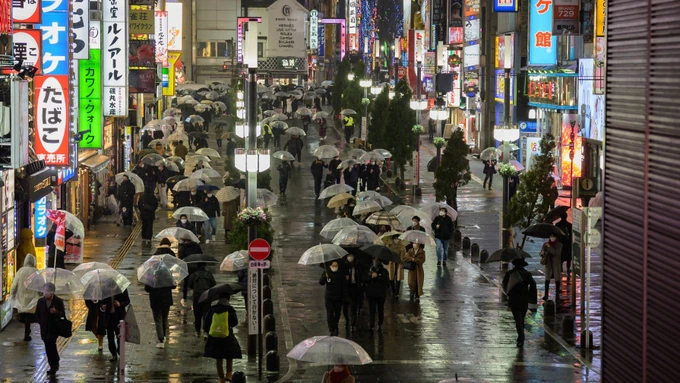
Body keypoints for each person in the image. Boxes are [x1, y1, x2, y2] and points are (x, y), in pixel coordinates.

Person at [203, 293, 242, 383]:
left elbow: (206, 323)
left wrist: (210, 331)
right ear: (228, 299)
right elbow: (235, 322)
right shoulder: (230, 309)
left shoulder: (212, 309)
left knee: (218, 358)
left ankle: (221, 378)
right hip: (227, 335)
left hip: (215, 337)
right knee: (229, 356)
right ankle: (229, 373)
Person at [502, 259, 537, 348]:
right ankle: (521, 337)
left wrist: (508, 292)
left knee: (518, 319)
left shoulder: (510, 274)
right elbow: (533, 285)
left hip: (514, 299)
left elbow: (504, 285)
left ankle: (521, 338)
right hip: (524, 299)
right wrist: (529, 296)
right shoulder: (527, 274)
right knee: (521, 319)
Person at [35, 283, 65, 375]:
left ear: (52, 292)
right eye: (44, 290)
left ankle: (53, 365)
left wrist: (56, 312)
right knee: (48, 346)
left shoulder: (58, 301)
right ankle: (55, 360)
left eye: (47, 291)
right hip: (44, 328)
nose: (45, 293)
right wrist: (41, 322)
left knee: (51, 344)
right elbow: (37, 314)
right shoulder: (40, 301)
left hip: (53, 328)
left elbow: (63, 314)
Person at [10, 254, 39, 342]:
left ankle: (27, 332)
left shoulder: (20, 271)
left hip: (21, 298)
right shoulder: (36, 272)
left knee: (24, 315)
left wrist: (12, 295)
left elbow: (14, 285)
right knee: (30, 316)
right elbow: (41, 285)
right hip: (33, 299)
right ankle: (27, 332)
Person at [98, 288, 131, 361]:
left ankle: (119, 350)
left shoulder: (122, 289)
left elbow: (127, 301)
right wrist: (102, 307)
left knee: (119, 335)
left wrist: (120, 304)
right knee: (110, 337)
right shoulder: (105, 289)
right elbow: (101, 302)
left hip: (119, 317)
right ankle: (113, 354)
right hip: (109, 317)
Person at [185, 264, 216, 337]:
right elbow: (213, 284)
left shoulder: (193, 275)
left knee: (197, 315)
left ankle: (197, 331)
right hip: (207, 296)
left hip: (197, 297)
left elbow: (190, 285)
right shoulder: (208, 274)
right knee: (206, 314)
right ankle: (206, 331)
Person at [144, 276, 175, 348]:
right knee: (164, 318)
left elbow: (147, 289)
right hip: (166, 300)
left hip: (155, 300)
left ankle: (161, 340)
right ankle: (164, 336)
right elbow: (173, 286)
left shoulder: (151, 275)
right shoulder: (167, 274)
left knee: (158, 320)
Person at [319, 261, 347, 336]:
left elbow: (344, 285)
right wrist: (325, 276)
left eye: (336, 265)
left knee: (337, 313)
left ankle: (335, 325)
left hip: (338, 297)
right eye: (333, 265)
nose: (335, 267)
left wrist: (344, 296)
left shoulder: (341, 274)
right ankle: (331, 329)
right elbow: (321, 282)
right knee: (330, 313)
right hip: (329, 297)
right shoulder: (327, 272)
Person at [364, 257, 389, 332]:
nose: (375, 261)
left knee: (380, 309)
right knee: (372, 310)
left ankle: (380, 324)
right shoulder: (368, 270)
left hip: (380, 294)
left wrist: (378, 276)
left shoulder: (384, 271)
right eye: (374, 259)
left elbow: (386, 281)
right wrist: (371, 277)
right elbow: (365, 279)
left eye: (377, 260)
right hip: (371, 293)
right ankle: (371, 325)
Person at [342, 254, 363, 332]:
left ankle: (353, 324)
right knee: (345, 308)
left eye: (352, 256)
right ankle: (347, 320)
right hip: (345, 289)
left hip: (354, 288)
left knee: (353, 307)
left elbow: (360, 276)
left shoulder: (357, 267)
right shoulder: (344, 266)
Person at [540, 234, 563, 302]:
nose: (552, 238)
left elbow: (556, 253)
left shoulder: (559, 244)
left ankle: (557, 296)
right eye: (551, 236)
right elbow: (541, 253)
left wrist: (549, 247)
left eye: (554, 237)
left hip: (556, 264)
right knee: (547, 280)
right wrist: (542, 253)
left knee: (557, 280)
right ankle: (546, 295)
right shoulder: (545, 244)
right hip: (548, 264)